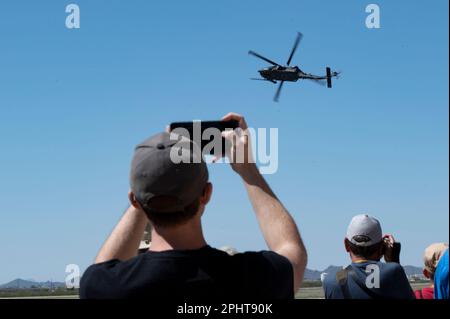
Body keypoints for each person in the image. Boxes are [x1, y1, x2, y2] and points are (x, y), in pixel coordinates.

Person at [80, 113, 307, 299]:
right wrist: (248, 169)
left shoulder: (105, 287)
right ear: (206, 194)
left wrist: (149, 186)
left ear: (135, 201)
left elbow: (103, 267)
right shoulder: (249, 279)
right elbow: (292, 252)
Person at [322, 214, 415, 299]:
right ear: (381, 246)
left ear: (346, 245)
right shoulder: (394, 272)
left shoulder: (331, 281)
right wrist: (393, 261)